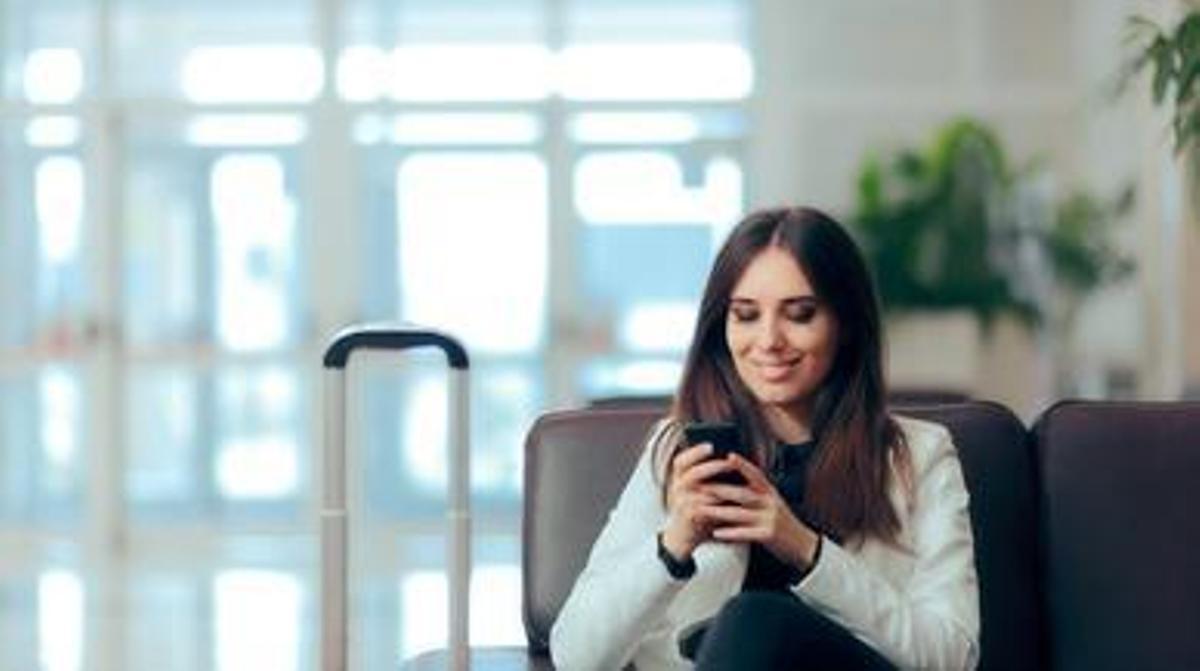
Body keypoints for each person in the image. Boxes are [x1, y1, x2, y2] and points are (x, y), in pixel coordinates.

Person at [550, 206, 979, 670]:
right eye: (746, 315)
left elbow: (951, 659)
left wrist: (805, 551)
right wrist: (673, 545)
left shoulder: (921, 455)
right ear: (722, 327)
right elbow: (576, 657)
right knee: (739, 627)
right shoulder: (677, 451)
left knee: (753, 622)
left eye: (800, 314)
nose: (769, 339)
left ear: (846, 324)